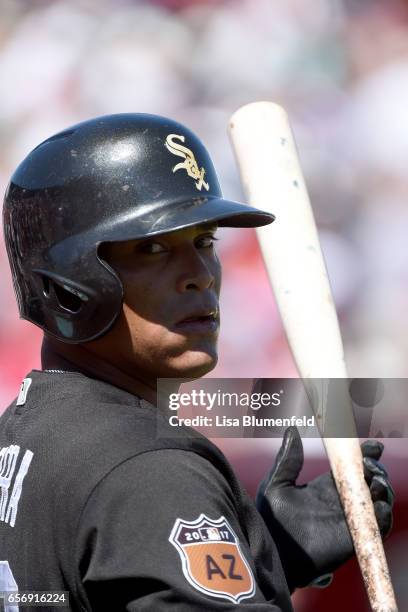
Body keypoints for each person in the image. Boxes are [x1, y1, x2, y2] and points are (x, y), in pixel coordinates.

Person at [0, 114, 393, 611]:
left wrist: (265, 557)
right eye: (154, 248)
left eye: (205, 241)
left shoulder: (21, 434)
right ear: (68, 286)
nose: (200, 275)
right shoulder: (150, 471)